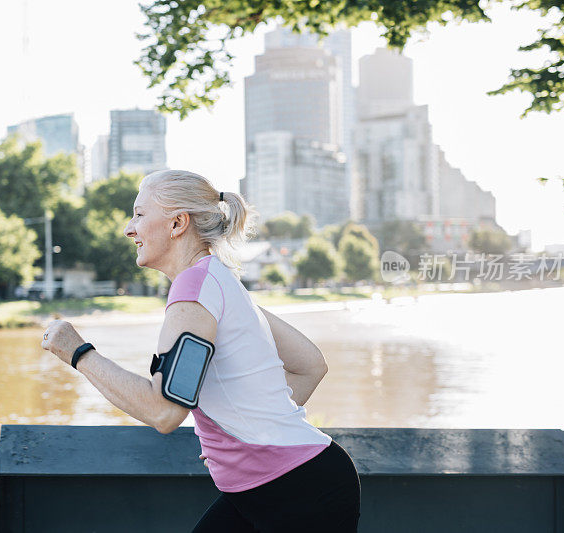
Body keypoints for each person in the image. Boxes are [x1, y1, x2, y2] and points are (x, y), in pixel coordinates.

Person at [40, 169, 360, 532]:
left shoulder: (195, 287)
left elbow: (164, 412)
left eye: (139, 214)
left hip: (298, 492)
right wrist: (242, 438)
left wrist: (78, 351)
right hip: (287, 483)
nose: (129, 229)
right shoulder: (221, 282)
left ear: (177, 223)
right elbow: (310, 366)